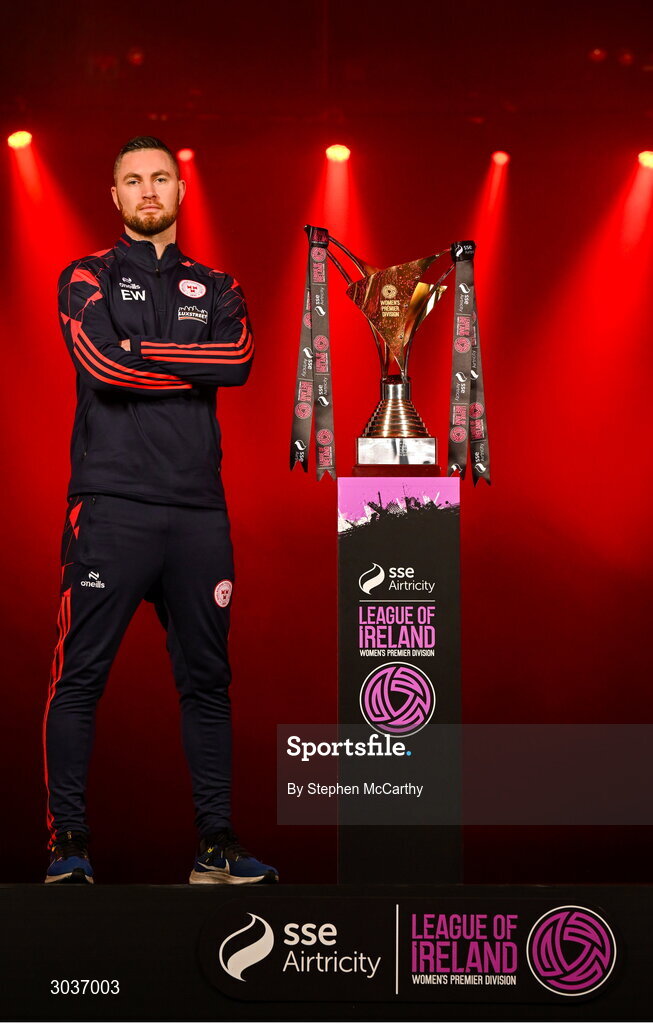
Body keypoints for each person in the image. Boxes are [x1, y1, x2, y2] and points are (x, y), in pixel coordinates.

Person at [44, 136, 277, 885]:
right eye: (132, 181)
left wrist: (139, 349)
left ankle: (216, 846)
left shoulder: (219, 285)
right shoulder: (86, 273)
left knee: (208, 683)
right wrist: (173, 359)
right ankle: (69, 845)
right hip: (111, 508)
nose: (148, 190)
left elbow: (238, 361)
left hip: (199, 513)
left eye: (160, 179)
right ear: (113, 196)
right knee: (80, 677)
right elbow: (100, 366)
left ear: (180, 190)